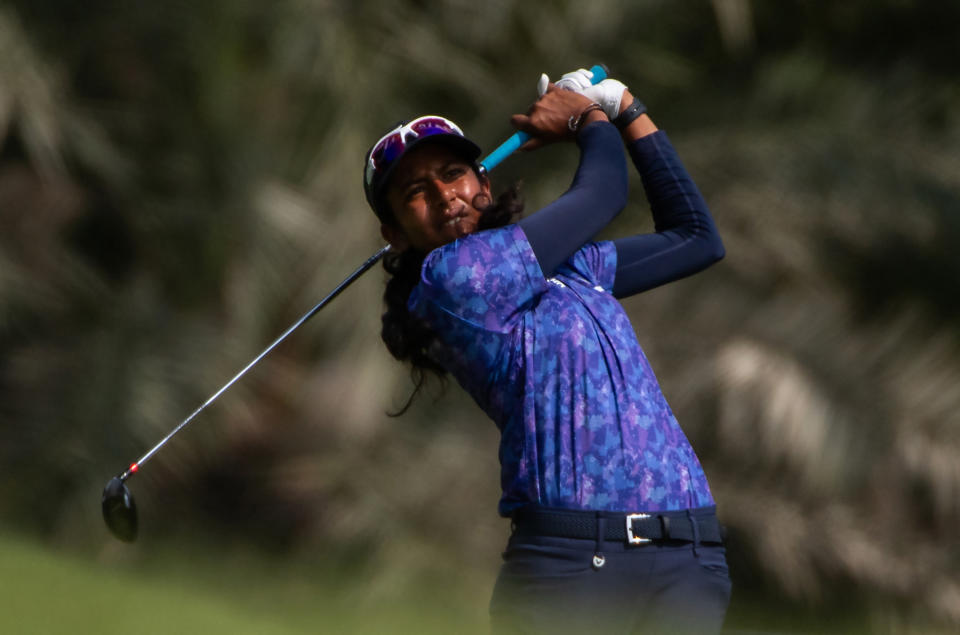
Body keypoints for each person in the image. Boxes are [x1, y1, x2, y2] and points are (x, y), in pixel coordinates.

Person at [362, 68, 731, 634]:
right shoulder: (449, 279)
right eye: (415, 192)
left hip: (688, 554)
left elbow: (695, 238)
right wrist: (587, 117)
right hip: (572, 563)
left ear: (482, 186)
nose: (443, 196)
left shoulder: (573, 267)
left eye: (453, 174)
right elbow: (604, 192)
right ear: (395, 233)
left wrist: (626, 107)